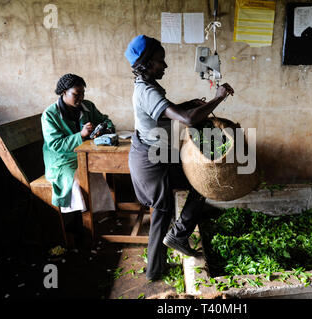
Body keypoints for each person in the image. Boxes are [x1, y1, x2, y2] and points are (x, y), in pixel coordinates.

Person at [124, 35, 234, 281]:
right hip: (151, 161)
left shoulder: (148, 86)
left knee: (202, 181)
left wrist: (189, 103)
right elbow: (187, 119)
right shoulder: (146, 90)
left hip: (157, 154)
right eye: (160, 61)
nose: (165, 65)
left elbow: (163, 114)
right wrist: (218, 96)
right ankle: (155, 270)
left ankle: (178, 236)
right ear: (147, 63)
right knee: (161, 215)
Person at [41, 73, 116, 236]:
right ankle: (78, 224)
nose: (80, 97)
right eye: (76, 94)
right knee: (78, 182)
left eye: (82, 93)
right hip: (61, 161)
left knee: (95, 176)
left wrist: (105, 128)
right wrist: (80, 135)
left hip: (84, 156)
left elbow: (105, 120)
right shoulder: (50, 114)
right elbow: (55, 145)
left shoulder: (87, 106)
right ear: (63, 92)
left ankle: (94, 216)